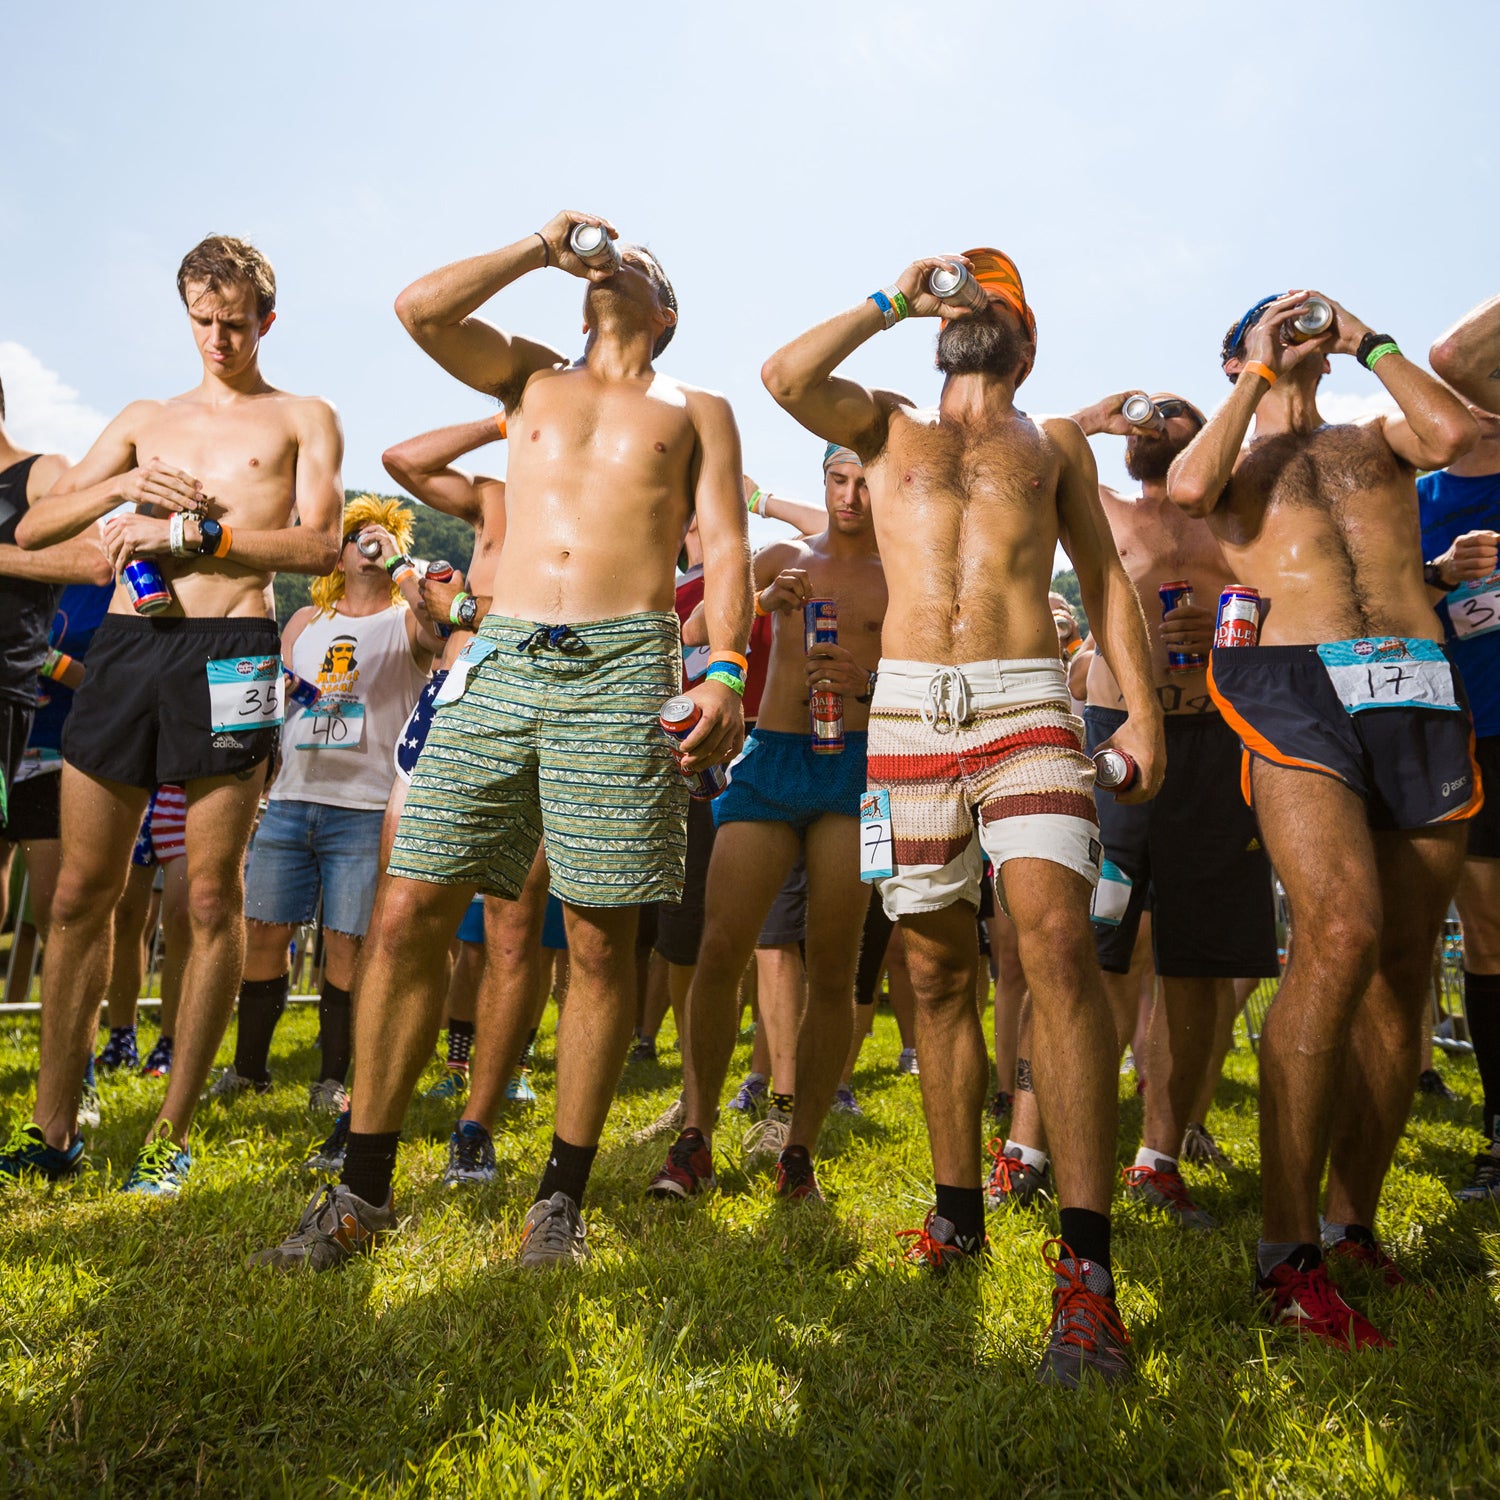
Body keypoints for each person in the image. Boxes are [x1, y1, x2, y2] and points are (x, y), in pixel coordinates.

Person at [254, 210, 749, 1271]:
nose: (621, 267)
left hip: (626, 661)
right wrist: (538, 245)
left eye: (643, 266)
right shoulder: (527, 377)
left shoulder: (697, 406)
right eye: (607, 263)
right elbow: (419, 311)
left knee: (601, 935)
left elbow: (735, 544)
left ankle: (558, 1201)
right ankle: (363, 1189)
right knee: (409, 902)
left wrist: (727, 668)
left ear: (667, 311)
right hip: (502, 652)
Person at [763, 247, 1162, 1387]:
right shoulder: (884, 425)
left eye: (998, 298)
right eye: (963, 295)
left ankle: (1085, 1276)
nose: (975, 308)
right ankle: (957, 1213)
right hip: (904, 716)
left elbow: (1107, 580)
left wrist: (1144, 719)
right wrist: (894, 295)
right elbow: (785, 377)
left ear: (1024, 338)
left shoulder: (1056, 444)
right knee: (932, 973)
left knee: (1052, 946)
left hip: (1028, 701)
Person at [0, 234, 345, 1194]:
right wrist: (121, 487)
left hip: (229, 651)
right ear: (185, 313)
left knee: (207, 895)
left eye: (236, 324)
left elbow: (318, 542)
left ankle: (173, 1124)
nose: (218, 339)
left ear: (266, 321)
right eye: (202, 321)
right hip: (122, 651)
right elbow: (33, 526)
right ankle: (52, 1127)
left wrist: (194, 532)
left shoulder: (303, 415)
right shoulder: (146, 416)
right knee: (76, 894)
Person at [1168, 288, 1479, 1347]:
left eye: (1302, 321)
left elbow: (1458, 432)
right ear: (1234, 358)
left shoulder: (1375, 439)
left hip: (1417, 680)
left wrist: (1367, 338)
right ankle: (1284, 1249)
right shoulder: (1235, 458)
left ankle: (1353, 1223)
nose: (1293, 329)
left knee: (1398, 965)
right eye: (1270, 322)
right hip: (1296, 687)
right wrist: (1257, 371)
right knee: (1336, 933)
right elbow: (1190, 482)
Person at [990, 391, 1280, 1228]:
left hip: (1219, 743)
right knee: (1076, 951)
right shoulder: (1102, 501)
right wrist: (1102, 414)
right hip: (1116, 741)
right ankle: (1025, 1147)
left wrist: (1241, 632)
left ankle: (1158, 1155)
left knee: (1196, 963)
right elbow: (1030, 456)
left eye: (1174, 414)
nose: (1156, 425)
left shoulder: (1235, 521)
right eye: (1145, 418)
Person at [647, 441, 884, 1204]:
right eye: (838, 480)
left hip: (855, 763)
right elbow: (692, 634)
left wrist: (869, 680)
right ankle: (697, 1135)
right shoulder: (782, 554)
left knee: (834, 967)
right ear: (822, 482)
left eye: (865, 483)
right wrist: (756, 601)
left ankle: (800, 1151)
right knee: (721, 947)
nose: (850, 497)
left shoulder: (906, 571)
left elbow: (930, 672)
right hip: (774, 754)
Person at [212, 495, 439, 1110]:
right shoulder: (304, 623)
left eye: (380, 536)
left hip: (365, 809)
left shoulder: (405, 622)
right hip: (290, 798)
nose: (367, 545)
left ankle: (333, 1080)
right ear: (335, 553)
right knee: (262, 931)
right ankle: (249, 1069)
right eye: (356, 536)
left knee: (347, 945)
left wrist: (403, 565)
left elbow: (440, 628)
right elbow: (261, 709)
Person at [1420, 296, 1500, 1199]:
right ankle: (1497, 1128)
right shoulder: (1418, 496)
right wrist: (1441, 574)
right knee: (1488, 940)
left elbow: (1453, 348)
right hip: (1477, 733)